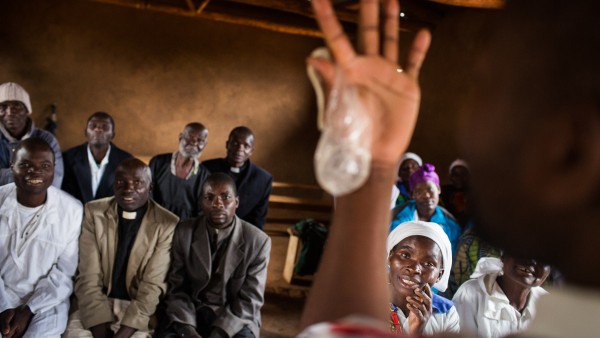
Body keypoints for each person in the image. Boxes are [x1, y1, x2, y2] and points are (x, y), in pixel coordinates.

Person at [65, 158, 179, 338]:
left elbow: (152, 285)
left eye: (138, 183)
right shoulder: (94, 212)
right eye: (121, 182)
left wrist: (123, 334)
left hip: (136, 310)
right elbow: (88, 276)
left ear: (150, 187)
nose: (128, 189)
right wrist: (99, 331)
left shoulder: (167, 223)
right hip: (94, 302)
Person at [157, 173, 271, 338]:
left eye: (225, 197)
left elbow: (250, 301)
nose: (217, 204)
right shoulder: (184, 232)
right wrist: (188, 331)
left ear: (236, 202)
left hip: (234, 317)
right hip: (191, 312)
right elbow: (177, 288)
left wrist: (218, 334)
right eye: (209, 197)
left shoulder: (258, 242)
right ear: (201, 202)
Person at [0, 137, 82, 337]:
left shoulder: (72, 210)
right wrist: (4, 307)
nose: (35, 171)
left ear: (54, 168)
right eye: (25, 164)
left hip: (47, 302)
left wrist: (28, 309)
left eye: (45, 165)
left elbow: (65, 272)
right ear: (12, 166)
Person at [387, 221, 459, 335]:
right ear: (390, 257)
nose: (414, 268)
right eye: (405, 255)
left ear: (439, 275)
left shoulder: (445, 312)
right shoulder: (366, 302)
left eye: (428, 263)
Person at [453, 256, 551, 337]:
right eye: (522, 251)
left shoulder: (550, 305)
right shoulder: (469, 295)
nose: (532, 261)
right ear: (503, 256)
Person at [203, 126, 273, 230]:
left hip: (242, 234)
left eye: (246, 146)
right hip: (208, 228)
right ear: (227, 145)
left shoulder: (263, 179)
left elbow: (258, 219)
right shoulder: (207, 168)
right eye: (235, 143)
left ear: (251, 151)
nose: (240, 149)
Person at [0, 82, 64, 187]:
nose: (10, 112)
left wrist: (5, 174)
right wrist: (32, 174)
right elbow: (43, 178)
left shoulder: (47, 140)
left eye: (17, 106)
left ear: (27, 110)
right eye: (3, 107)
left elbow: (53, 182)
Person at [62, 111, 132, 204]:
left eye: (105, 127)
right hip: (76, 215)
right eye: (92, 126)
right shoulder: (68, 158)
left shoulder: (126, 161)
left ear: (112, 135)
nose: (98, 129)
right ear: (86, 133)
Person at [390, 164, 462, 254]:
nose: (426, 195)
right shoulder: (397, 222)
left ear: (438, 189)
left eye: (430, 189)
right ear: (412, 195)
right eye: (419, 191)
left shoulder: (451, 227)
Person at [149, 122, 210, 221]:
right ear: (180, 137)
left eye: (200, 140)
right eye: (189, 137)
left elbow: (201, 212)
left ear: (205, 145)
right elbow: (147, 194)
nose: (194, 143)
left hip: (185, 229)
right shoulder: (158, 163)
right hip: (155, 223)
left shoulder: (205, 177)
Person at [440, 159, 470, 229]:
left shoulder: (474, 193)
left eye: (463, 174)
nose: (459, 178)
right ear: (450, 177)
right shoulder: (444, 191)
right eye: (455, 175)